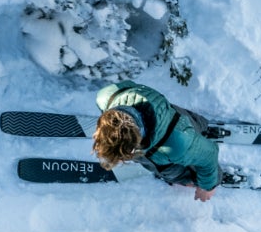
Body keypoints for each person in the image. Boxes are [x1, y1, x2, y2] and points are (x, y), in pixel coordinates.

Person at [91, 80, 222, 201]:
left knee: (182, 171)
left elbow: (209, 155)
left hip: (179, 136)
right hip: (168, 117)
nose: (121, 160)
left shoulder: (177, 146)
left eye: (124, 156)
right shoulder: (106, 96)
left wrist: (207, 187)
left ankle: (205, 179)